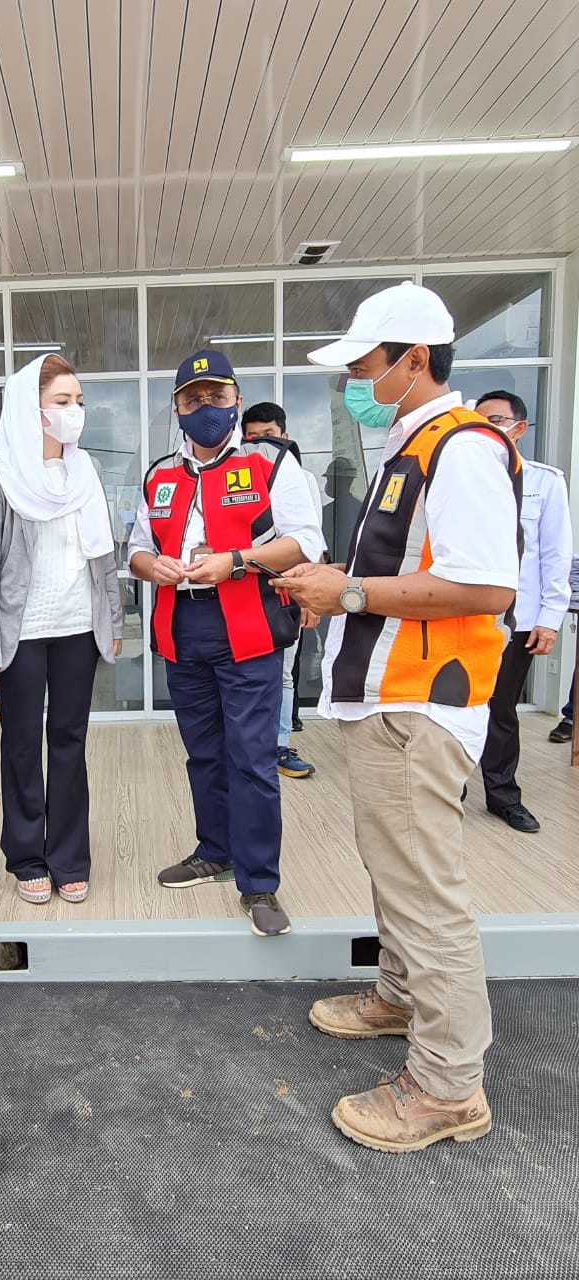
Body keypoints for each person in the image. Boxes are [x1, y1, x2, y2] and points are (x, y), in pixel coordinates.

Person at [275, 282, 521, 1152]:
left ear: (416, 360)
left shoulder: (462, 448)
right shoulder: (411, 446)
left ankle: (448, 1086)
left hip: (422, 703)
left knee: (425, 894)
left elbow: (486, 585)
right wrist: (335, 592)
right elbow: (402, 572)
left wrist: (345, 590)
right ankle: (400, 995)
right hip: (389, 697)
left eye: (365, 365)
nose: (355, 381)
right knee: (396, 873)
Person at [128, 351, 323, 937]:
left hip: (249, 625)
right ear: (177, 409)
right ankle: (214, 851)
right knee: (204, 753)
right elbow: (137, 547)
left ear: (236, 400)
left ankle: (259, 881)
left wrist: (236, 560)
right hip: (182, 626)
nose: (205, 408)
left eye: (216, 397)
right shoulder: (160, 473)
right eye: (193, 400)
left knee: (252, 758)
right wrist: (153, 567)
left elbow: (304, 542)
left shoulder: (270, 462)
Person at [0, 354, 122, 906]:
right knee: (20, 743)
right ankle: (27, 857)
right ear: (29, 409)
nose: (74, 411)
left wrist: (112, 617)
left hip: (78, 625)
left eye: (78, 401)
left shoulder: (87, 470)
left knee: (69, 740)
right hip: (23, 632)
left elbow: (104, 552)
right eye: (62, 401)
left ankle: (69, 857)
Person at [474, 391, 572, 832]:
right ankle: (449, 791)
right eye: (478, 420)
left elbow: (555, 554)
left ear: (519, 428)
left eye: (496, 420)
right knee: (453, 704)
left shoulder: (544, 482)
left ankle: (502, 795)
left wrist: (549, 619)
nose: (486, 428)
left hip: (518, 618)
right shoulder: (459, 477)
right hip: (462, 612)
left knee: (501, 708)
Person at [241, 402, 323, 779]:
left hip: (286, 591)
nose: (262, 444)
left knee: (284, 674)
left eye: (270, 436)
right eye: (253, 437)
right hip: (243, 594)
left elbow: (312, 543)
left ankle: (280, 745)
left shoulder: (299, 477)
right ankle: (250, 746)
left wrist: (308, 597)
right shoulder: (234, 476)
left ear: (285, 437)